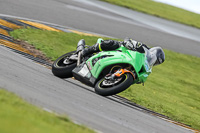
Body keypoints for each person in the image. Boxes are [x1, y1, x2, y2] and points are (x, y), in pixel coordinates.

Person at [80, 38, 165, 67]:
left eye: (156, 63)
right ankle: (86, 51)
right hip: (121, 50)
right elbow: (128, 39)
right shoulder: (143, 48)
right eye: (156, 60)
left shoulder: (144, 64)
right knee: (112, 44)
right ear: (153, 53)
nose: (154, 63)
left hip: (126, 61)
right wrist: (129, 43)